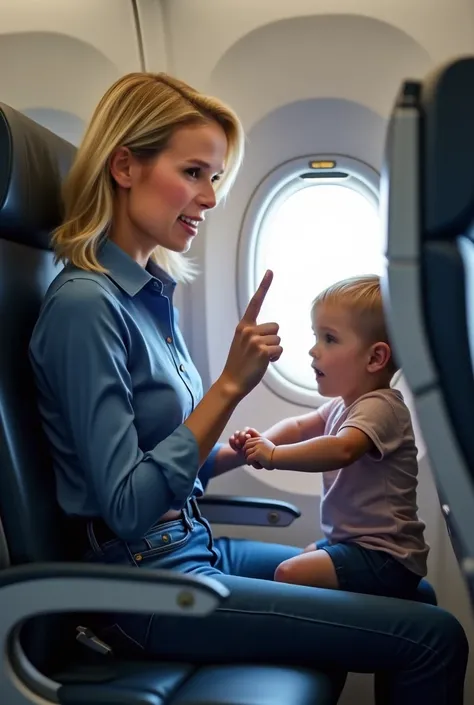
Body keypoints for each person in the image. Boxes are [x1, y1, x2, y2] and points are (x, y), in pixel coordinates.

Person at [28, 72, 468, 705]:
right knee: (435, 638)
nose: (210, 198)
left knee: (416, 596)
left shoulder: (151, 299)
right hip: (137, 585)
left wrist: (246, 449)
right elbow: (125, 507)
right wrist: (230, 386)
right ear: (124, 166)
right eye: (194, 172)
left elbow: (172, 468)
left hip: (189, 546)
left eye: (216, 178)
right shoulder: (84, 310)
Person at [230, 275, 429, 599]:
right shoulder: (343, 405)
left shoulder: (381, 407)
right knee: (303, 557)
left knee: (289, 573)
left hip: (387, 557)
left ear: (375, 358)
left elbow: (342, 448)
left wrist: (273, 456)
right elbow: (297, 426)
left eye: (329, 339)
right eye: (316, 336)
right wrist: (261, 441)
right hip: (352, 544)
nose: (313, 349)